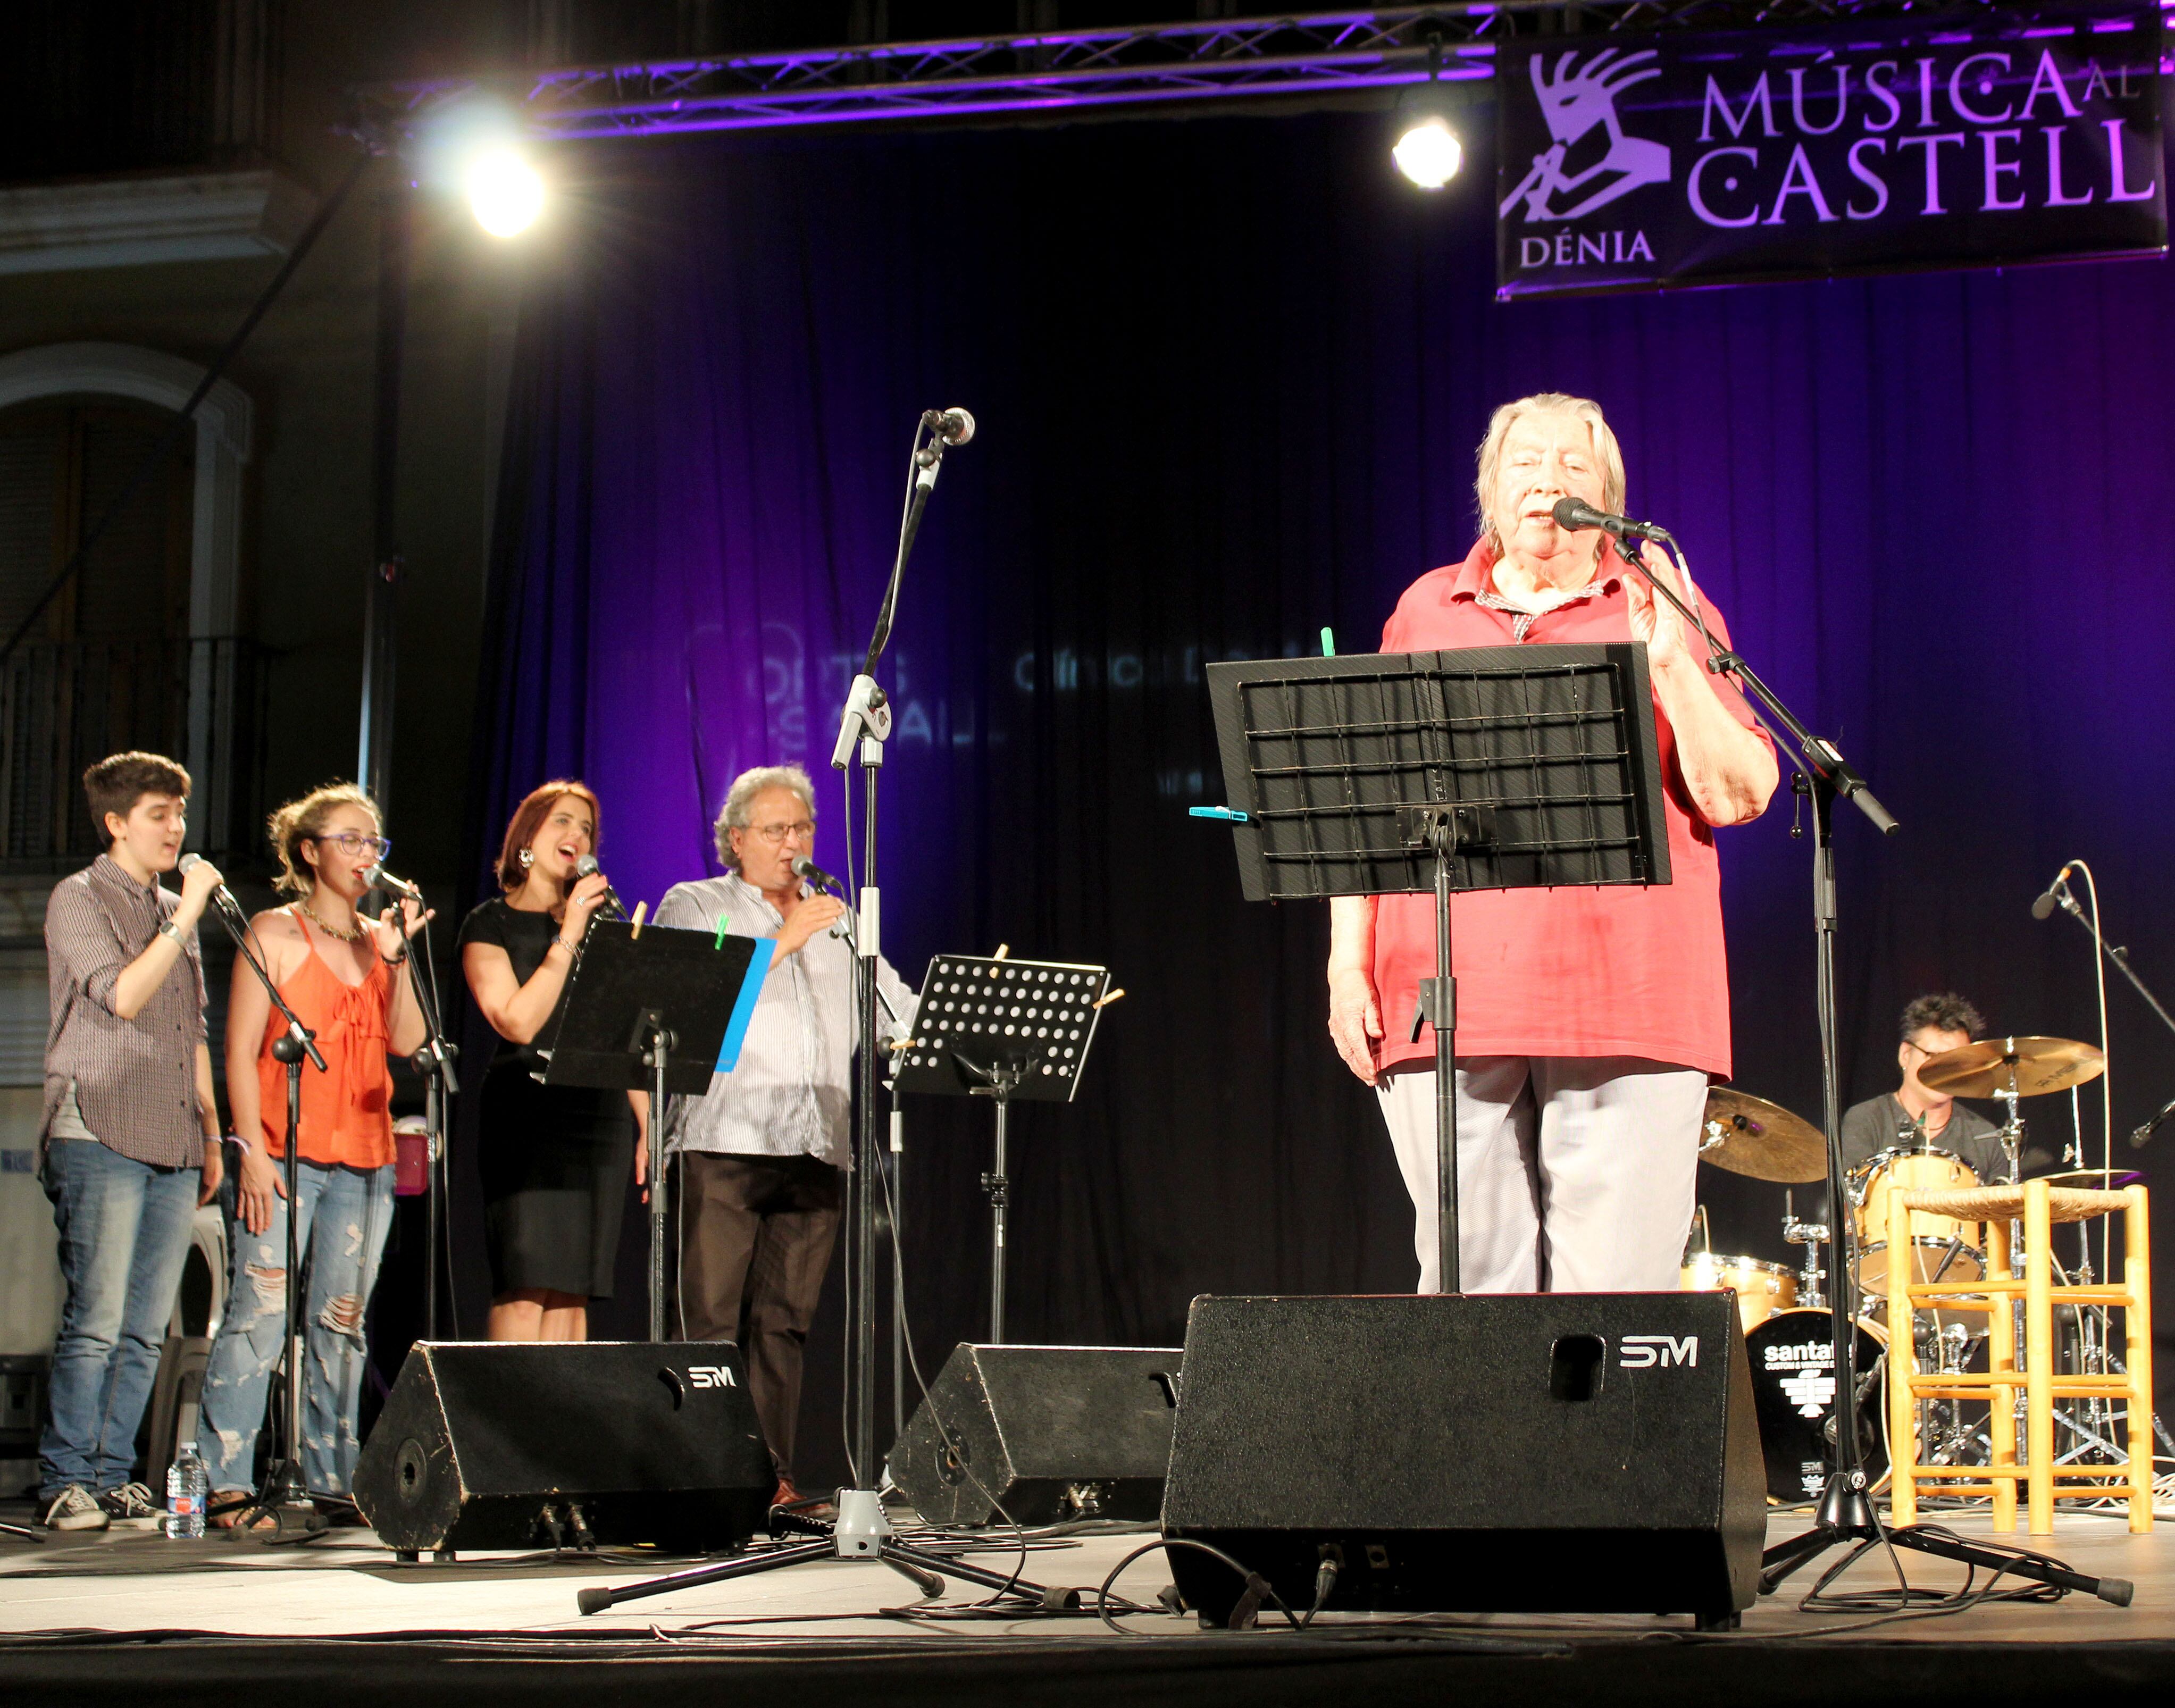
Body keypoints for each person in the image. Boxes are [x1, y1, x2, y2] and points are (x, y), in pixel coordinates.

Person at [1326, 392, 1778, 1294]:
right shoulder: (1425, 610)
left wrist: (1673, 668)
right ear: (1491, 491)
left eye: (1574, 466)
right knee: (1464, 1302)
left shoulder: (1665, 602)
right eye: (1525, 463)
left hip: (1630, 995)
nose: (1548, 483)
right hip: (1443, 994)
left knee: (1609, 1308)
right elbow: (1363, 807)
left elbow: (1743, 792)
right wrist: (1348, 967)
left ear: (1606, 496)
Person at [654, 765, 915, 1511]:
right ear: (736, 839)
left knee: (783, 1329)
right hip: (724, 1140)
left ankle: (769, 1479)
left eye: (801, 828)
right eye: (775, 830)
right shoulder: (697, 904)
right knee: (707, 1329)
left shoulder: (837, 921)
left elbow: (895, 1008)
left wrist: (964, 1022)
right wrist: (783, 936)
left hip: (815, 1146)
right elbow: (691, 996)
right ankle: (700, 1480)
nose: (792, 844)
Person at [198, 784, 429, 1525]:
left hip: (367, 1157)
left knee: (343, 1324)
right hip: (284, 1153)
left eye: (375, 843)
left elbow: (407, 1042)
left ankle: (333, 1479)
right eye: (351, 840)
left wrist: (400, 955)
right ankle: (226, 1478)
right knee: (260, 1314)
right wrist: (252, 1153)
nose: (367, 855)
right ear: (310, 850)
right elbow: (237, 1052)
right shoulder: (274, 930)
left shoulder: (377, 940)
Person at [37, 752, 226, 1531]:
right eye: (159, 815)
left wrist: (214, 1135)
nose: (176, 829)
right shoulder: (78, 898)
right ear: (116, 823)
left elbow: (193, 1032)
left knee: (148, 1327)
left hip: (174, 1136)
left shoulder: (172, 909)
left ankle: (114, 1474)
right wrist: (184, 918)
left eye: (179, 814)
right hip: (101, 1123)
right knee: (98, 1317)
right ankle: (65, 1477)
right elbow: (121, 995)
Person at [459, 781, 646, 1341]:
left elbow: (625, 1033)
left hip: (598, 1114)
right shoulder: (488, 924)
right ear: (526, 839)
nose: (577, 836)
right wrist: (567, 936)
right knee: (524, 1285)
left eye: (586, 827)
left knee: (572, 1295)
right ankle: (505, 1426)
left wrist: (648, 1127)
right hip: (528, 1114)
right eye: (562, 821)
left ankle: (557, 1427)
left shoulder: (602, 925)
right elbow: (517, 1020)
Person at [1841, 993, 2046, 1183]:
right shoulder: (1867, 1120)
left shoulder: (1985, 1138)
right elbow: (1854, 1210)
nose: (1945, 1071)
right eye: (1935, 1058)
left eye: (1956, 1061)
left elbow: (1997, 1221)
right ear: (1905, 1054)